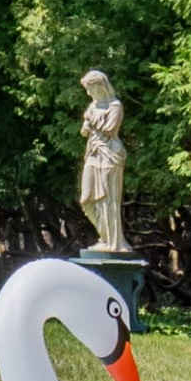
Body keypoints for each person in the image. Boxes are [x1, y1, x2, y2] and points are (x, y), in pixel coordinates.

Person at [75, 71, 128, 254]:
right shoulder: (93, 106)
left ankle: (113, 241)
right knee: (86, 200)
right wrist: (87, 124)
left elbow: (109, 128)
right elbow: (84, 131)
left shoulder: (115, 106)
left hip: (110, 154)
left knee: (108, 200)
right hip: (93, 153)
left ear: (99, 86)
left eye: (90, 89)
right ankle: (105, 235)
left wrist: (90, 120)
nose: (89, 93)